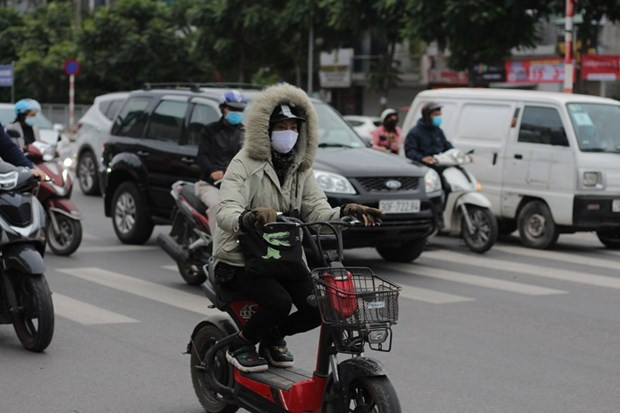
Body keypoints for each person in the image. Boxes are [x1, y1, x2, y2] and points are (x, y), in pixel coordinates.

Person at [213, 83, 383, 373]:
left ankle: (273, 336)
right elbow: (225, 209)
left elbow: (317, 208)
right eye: (281, 125)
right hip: (240, 260)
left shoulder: (300, 168)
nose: (288, 132)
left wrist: (345, 211)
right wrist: (249, 217)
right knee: (278, 302)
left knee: (320, 307)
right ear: (266, 129)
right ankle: (240, 344)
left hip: (282, 258)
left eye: (293, 126)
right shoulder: (243, 163)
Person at [195, 90, 247, 234]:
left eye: (239, 109)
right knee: (218, 207)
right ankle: (217, 250)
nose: (236, 112)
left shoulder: (246, 132)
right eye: (232, 108)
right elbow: (201, 156)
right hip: (210, 185)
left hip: (237, 185)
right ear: (222, 108)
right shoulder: (210, 130)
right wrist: (212, 171)